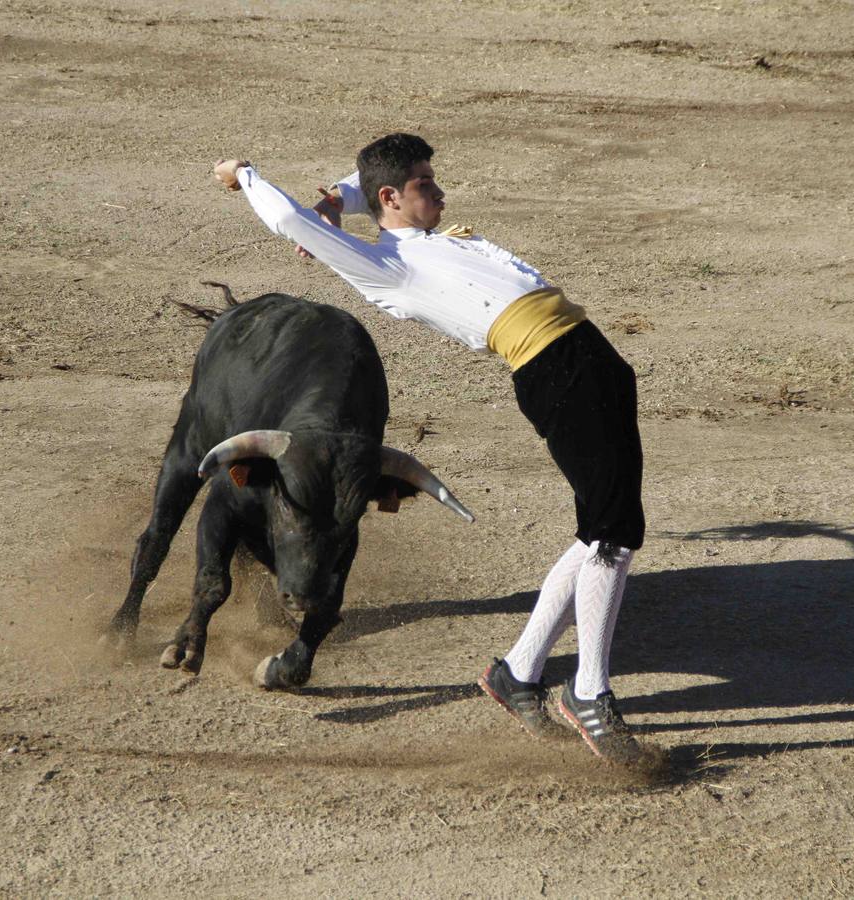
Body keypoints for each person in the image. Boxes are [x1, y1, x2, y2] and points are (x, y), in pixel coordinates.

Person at [212, 133, 646, 764]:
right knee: (613, 536)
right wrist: (243, 173)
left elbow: (368, 183)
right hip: (556, 372)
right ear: (392, 198)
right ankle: (589, 692)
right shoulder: (386, 266)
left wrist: (339, 193)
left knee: (604, 531)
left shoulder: (410, 234)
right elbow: (286, 218)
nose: (439, 192)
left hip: (591, 358)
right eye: (425, 185)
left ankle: (519, 676)